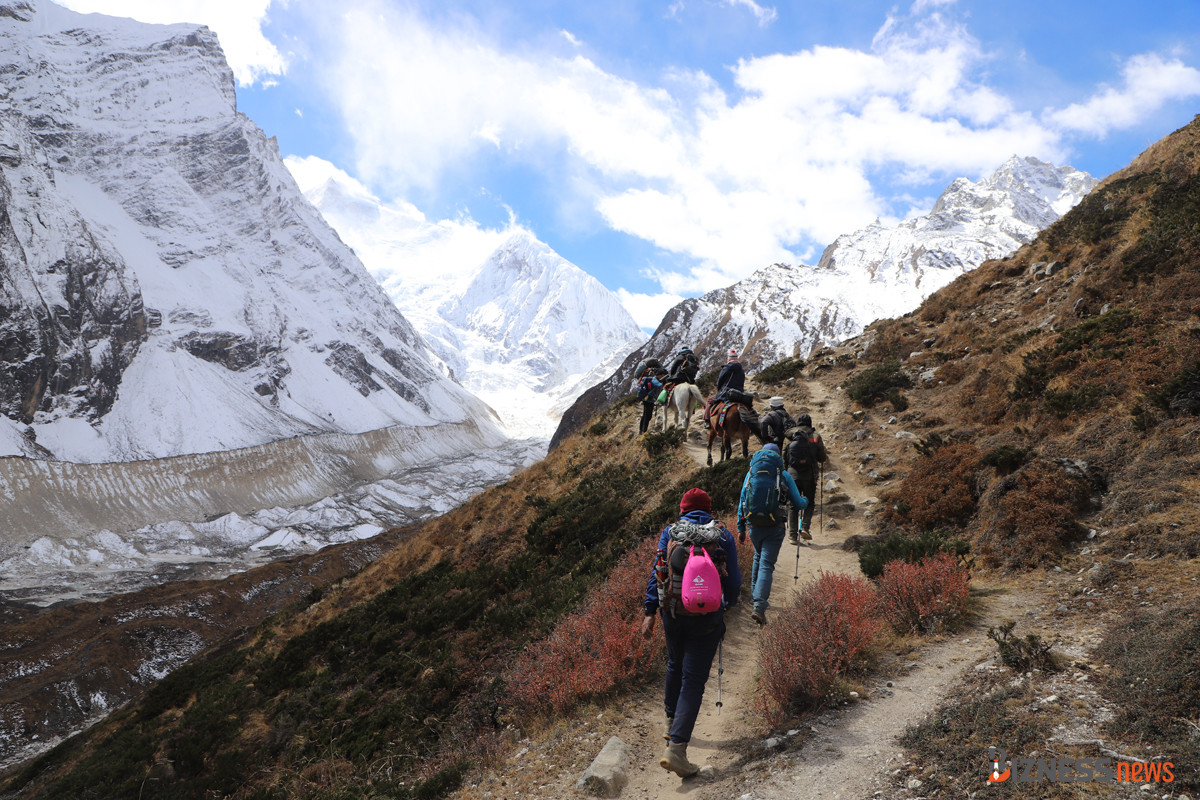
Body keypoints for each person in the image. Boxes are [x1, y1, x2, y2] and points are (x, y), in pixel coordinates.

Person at [641, 488, 741, 778]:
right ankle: (677, 750)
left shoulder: (670, 532)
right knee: (694, 680)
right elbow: (733, 579)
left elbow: (657, 571)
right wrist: (729, 604)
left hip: (672, 612)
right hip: (707, 616)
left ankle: (671, 723)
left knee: (674, 664)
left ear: (683, 509)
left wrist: (650, 611)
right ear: (709, 509)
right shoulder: (722, 535)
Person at [736, 443, 807, 626]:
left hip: (753, 525)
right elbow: (798, 504)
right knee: (766, 564)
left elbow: (742, 500)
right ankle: (759, 606)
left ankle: (755, 599)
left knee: (758, 558)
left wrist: (740, 528)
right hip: (774, 526)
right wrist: (805, 500)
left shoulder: (751, 473)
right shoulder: (783, 475)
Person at [785, 413, 827, 544]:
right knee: (809, 503)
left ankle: (792, 536)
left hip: (793, 476)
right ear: (810, 423)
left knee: (793, 505)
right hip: (810, 475)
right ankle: (805, 528)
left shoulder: (789, 437)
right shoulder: (815, 437)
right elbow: (822, 458)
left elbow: (784, 457)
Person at [706, 348, 746, 428]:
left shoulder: (726, 368)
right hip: (739, 394)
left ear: (728, 359)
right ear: (737, 359)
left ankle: (707, 421)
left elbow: (720, 381)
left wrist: (719, 391)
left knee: (709, 402)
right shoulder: (741, 369)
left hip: (726, 393)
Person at [636, 369, 665, 434]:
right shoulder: (654, 380)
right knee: (648, 416)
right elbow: (659, 385)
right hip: (649, 400)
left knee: (645, 414)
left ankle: (641, 430)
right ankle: (644, 431)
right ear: (660, 375)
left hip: (646, 399)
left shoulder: (651, 379)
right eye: (662, 375)